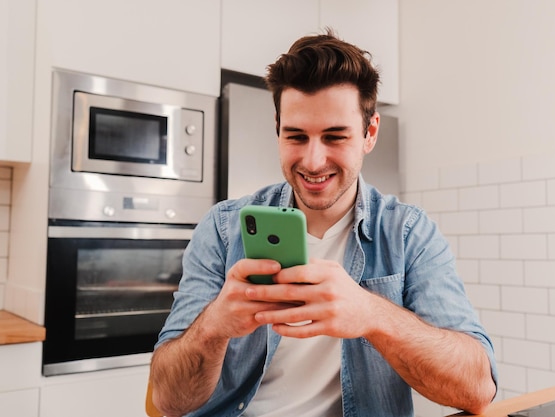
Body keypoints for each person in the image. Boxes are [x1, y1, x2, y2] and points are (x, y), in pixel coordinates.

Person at [150, 29, 498, 417]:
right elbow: (167, 401)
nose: (313, 161)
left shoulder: (408, 233)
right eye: (296, 136)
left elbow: (477, 388)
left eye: (335, 137)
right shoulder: (221, 229)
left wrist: (371, 314)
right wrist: (214, 326)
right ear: (278, 131)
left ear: (370, 133)